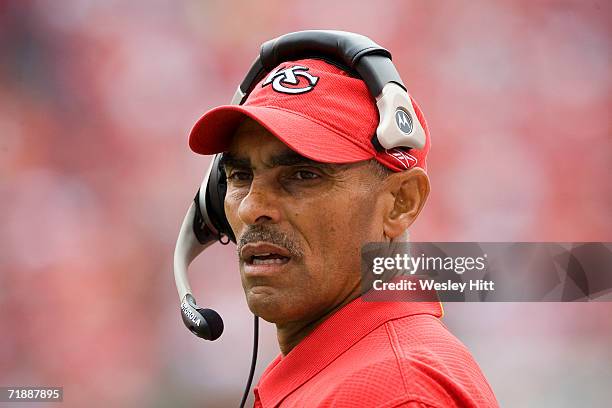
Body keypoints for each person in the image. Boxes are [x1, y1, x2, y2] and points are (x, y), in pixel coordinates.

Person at [188, 57, 498, 407]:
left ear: (400, 202)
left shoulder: (393, 391)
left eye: (303, 175)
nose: (250, 208)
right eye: (240, 176)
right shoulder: (361, 370)